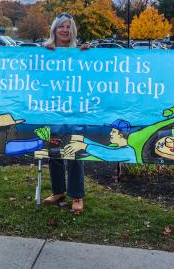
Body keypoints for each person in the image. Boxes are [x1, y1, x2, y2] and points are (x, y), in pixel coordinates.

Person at [43, 13, 89, 214]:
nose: (64, 30)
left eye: (68, 27)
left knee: (74, 150)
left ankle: (77, 195)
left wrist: (88, 55)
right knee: (54, 151)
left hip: (74, 108)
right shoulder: (46, 51)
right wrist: (45, 53)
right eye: (61, 26)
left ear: (73, 31)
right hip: (52, 107)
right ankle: (58, 190)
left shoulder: (79, 52)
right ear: (54, 29)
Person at [64, 119, 137, 163]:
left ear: (121, 135)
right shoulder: (120, 148)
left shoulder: (128, 151)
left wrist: (83, 146)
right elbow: (103, 147)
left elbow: (106, 153)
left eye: (113, 132)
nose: (110, 133)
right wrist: (83, 139)